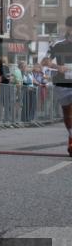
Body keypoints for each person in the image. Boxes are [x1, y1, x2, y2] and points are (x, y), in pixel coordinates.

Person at [47, 15, 72, 157]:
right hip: (63, 83)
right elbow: (45, 61)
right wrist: (58, 67)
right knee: (68, 113)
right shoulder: (58, 44)